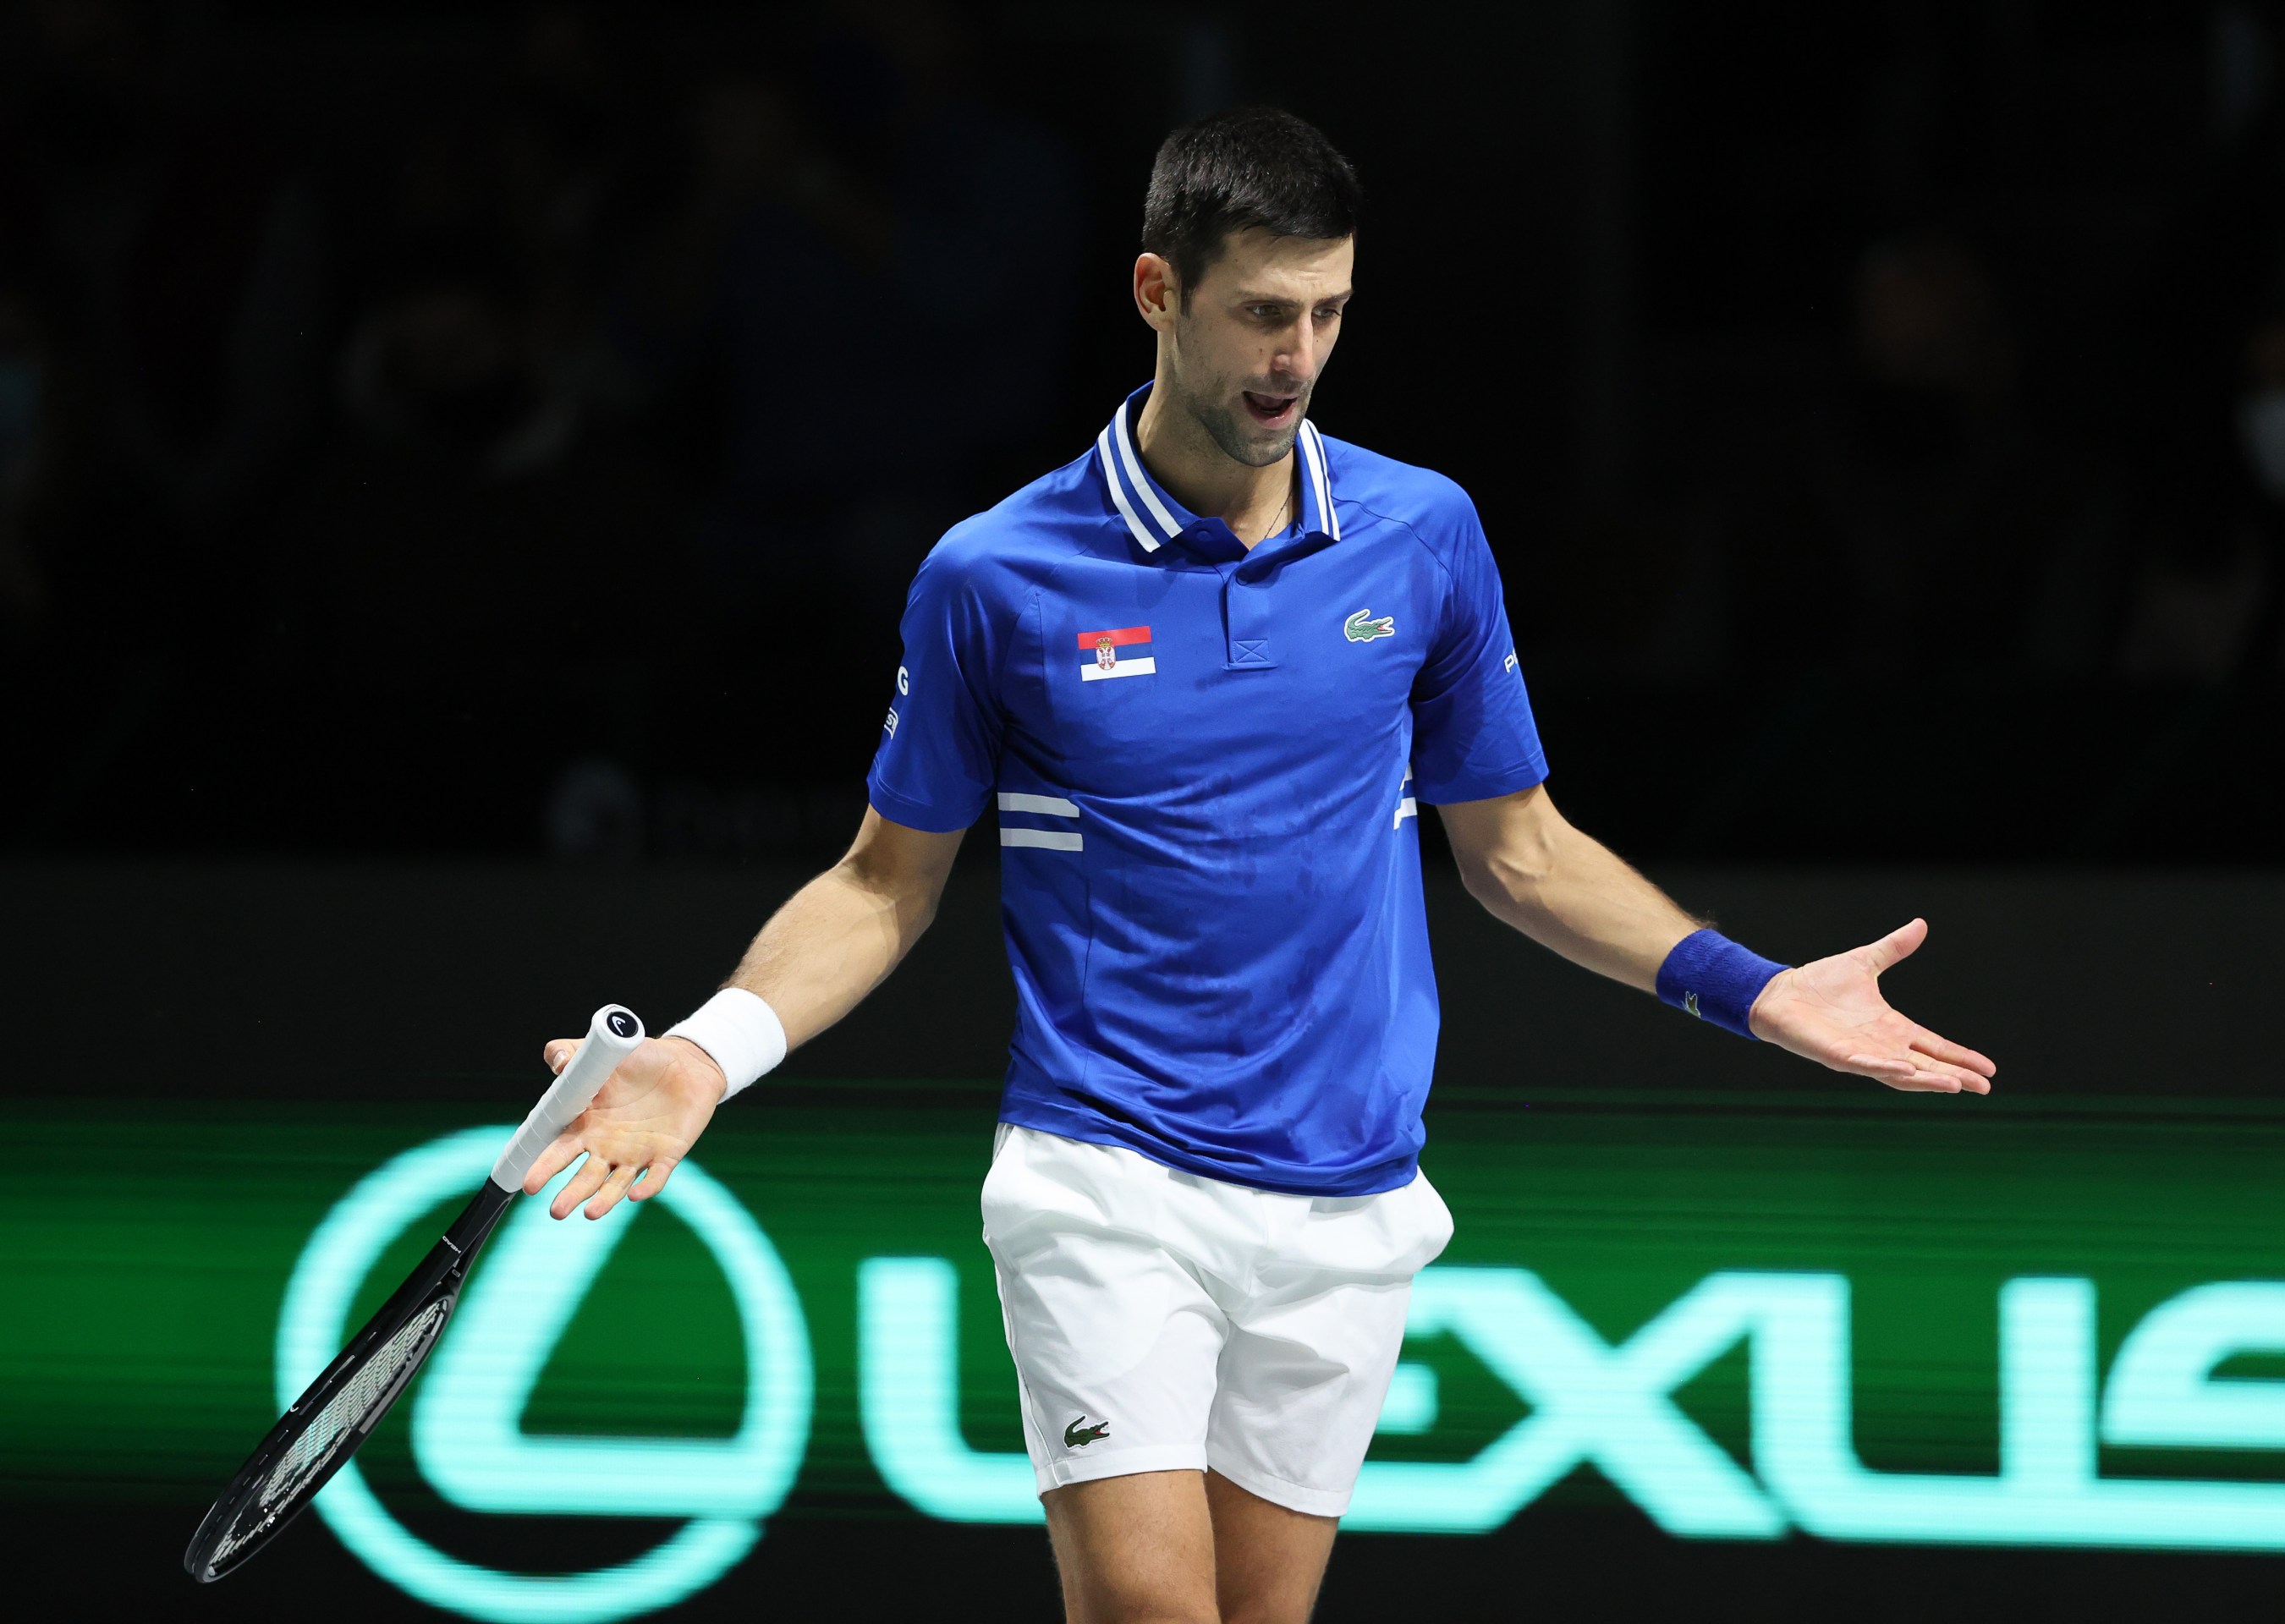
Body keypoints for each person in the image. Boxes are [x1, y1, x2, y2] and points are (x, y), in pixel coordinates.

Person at [521, 107, 1996, 1624]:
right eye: (1261, 313)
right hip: (1105, 1177)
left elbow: (1521, 853)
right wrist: (704, 1056)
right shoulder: (997, 576)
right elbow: (882, 883)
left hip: (1351, 1194)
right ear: (1158, 293)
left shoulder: (1424, 536)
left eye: (1330, 313)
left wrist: (1756, 994)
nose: (1296, 357)